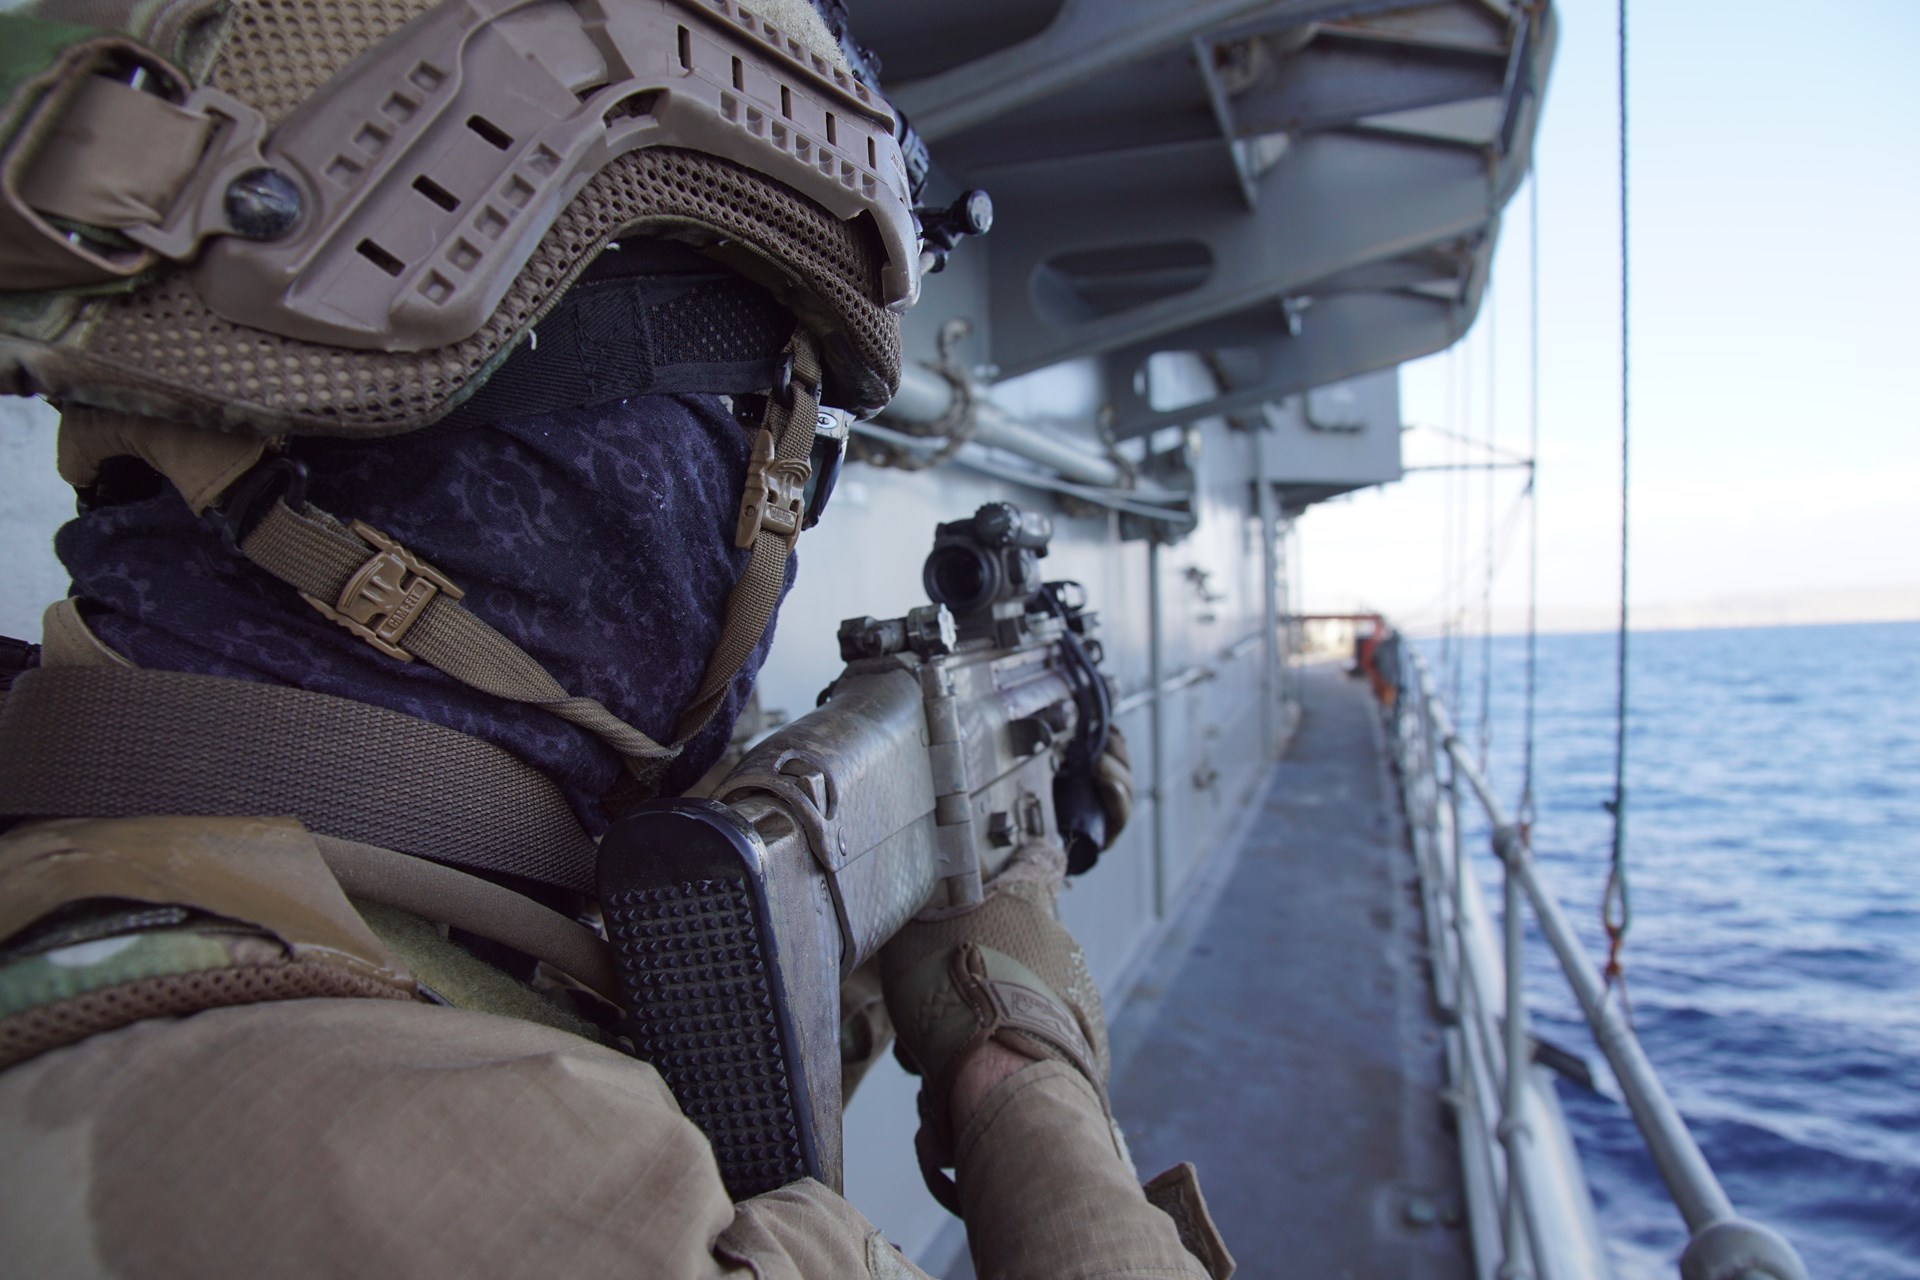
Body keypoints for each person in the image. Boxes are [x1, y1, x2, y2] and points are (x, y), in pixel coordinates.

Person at [0, 3, 1232, 1277]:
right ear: (613, 474)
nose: (784, 518)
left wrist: (889, 907)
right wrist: (1015, 1059)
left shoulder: (141, 874)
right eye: (777, 432)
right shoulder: (428, 1170)